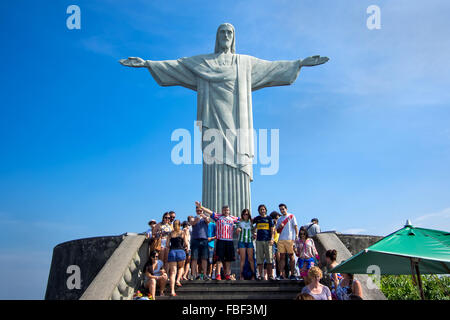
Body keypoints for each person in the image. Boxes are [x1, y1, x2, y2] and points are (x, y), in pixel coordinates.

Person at [196, 201, 239, 280]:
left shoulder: (233, 218)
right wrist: (201, 207)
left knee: (228, 259)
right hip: (220, 240)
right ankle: (218, 274)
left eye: (227, 210)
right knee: (219, 259)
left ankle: (228, 275)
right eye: (224, 210)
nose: (226, 211)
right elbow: (209, 211)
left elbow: (243, 219)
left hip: (229, 240)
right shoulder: (218, 216)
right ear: (222, 211)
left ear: (229, 211)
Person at [276, 203, 298, 280]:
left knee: (291, 256)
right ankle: (281, 274)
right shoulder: (279, 219)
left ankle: (292, 274)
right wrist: (279, 226)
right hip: (281, 239)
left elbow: (295, 227)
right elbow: (277, 231)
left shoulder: (291, 216)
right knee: (281, 257)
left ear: (286, 209)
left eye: (283, 209)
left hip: (290, 239)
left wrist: (296, 235)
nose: (282, 210)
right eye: (280, 209)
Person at [252, 205, 275, 280]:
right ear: (259, 211)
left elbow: (272, 230)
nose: (262, 211)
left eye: (263, 209)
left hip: (268, 240)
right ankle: (260, 275)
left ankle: (270, 275)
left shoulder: (269, 218)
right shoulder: (257, 218)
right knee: (259, 259)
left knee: (269, 259)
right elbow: (251, 223)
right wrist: (253, 232)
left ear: (266, 210)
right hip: (259, 240)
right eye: (261, 209)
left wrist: (272, 239)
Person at [166, 220, 188, 296]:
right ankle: (178, 280)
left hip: (172, 252)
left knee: (172, 273)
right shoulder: (182, 233)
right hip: (180, 251)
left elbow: (167, 245)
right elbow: (186, 243)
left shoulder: (170, 234)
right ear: (180, 225)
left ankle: (172, 291)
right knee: (181, 267)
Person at [190, 205, 211, 280]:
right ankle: (193, 274)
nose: (199, 212)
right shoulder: (193, 217)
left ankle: (204, 274)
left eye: (200, 211)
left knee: (204, 258)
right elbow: (192, 223)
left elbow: (208, 221)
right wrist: (198, 217)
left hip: (204, 239)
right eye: (198, 211)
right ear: (196, 211)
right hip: (195, 239)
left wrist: (204, 216)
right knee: (194, 258)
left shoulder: (205, 217)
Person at [236, 209, 256, 280]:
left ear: (249, 215)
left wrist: (254, 234)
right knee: (242, 260)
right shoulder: (240, 222)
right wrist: (238, 230)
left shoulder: (251, 223)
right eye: (244, 214)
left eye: (247, 214)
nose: (245, 216)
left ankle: (253, 275)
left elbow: (254, 231)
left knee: (251, 259)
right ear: (242, 215)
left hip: (249, 242)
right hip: (242, 242)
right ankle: (241, 275)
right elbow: (237, 231)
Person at [269, 211, 281, 278]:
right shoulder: (271, 224)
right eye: (277, 218)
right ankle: (271, 275)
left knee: (279, 260)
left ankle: (279, 274)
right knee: (271, 259)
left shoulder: (279, 224)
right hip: (273, 242)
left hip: (279, 242)